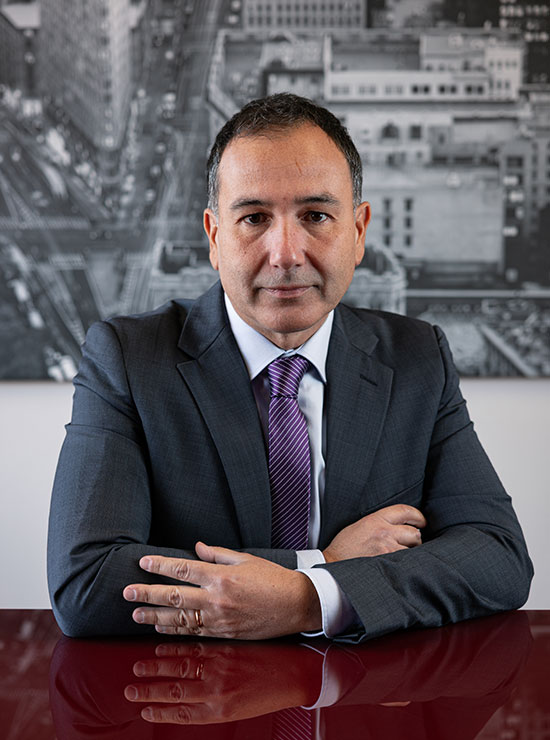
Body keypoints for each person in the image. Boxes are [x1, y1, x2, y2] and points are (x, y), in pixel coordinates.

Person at [47, 93, 533, 641]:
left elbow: (499, 558)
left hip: (366, 689)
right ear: (214, 237)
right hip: (194, 688)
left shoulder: (418, 358)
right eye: (254, 218)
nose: (285, 254)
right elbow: (86, 582)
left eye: (316, 216)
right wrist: (321, 568)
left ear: (358, 231)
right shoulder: (128, 360)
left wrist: (309, 600)